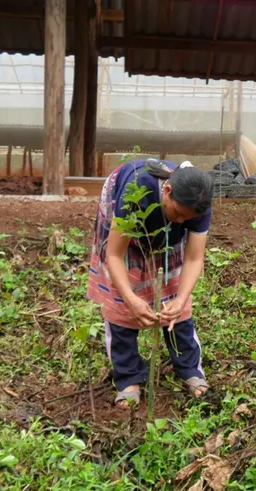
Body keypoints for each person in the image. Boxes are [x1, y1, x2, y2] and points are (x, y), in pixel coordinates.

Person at [87, 158, 215, 406]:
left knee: (176, 303)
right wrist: (131, 299)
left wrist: (180, 299)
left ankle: (190, 370)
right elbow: (114, 255)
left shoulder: (198, 204)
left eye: (186, 219)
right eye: (177, 213)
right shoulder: (136, 192)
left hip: (164, 229)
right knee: (122, 305)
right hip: (127, 220)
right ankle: (128, 378)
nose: (180, 221)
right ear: (167, 190)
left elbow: (193, 258)